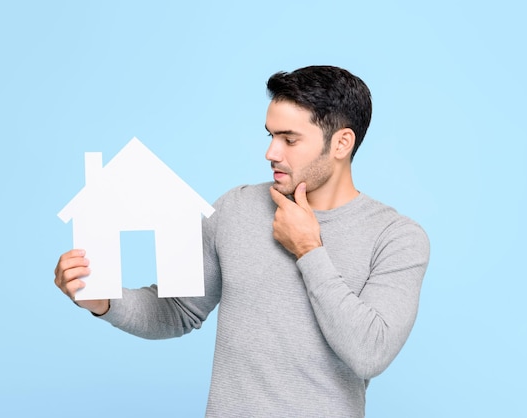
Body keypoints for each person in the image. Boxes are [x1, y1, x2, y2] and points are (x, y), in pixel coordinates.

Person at [54, 65, 430, 417]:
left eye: (289, 139)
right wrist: (105, 302)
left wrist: (308, 250)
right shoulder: (236, 208)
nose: (271, 153)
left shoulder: (396, 238)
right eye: (271, 135)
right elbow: (179, 311)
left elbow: (371, 353)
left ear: (341, 143)